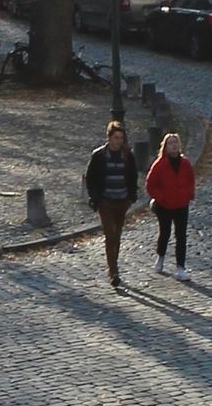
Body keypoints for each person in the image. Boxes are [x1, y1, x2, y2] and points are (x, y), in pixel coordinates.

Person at [81, 119, 139, 287]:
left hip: (122, 200)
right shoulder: (99, 156)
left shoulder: (128, 155)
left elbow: (133, 176)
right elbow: (90, 178)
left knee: (117, 235)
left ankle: (114, 264)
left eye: (121, 138)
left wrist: (131, 196)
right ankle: (113, 271)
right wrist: (95, 198)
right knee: (110, 234)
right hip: (105, 201)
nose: (118, 141)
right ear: (109, 137)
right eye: (116, 138)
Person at [146, 128, 197, 276]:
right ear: (165, 146)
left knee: (181, 235)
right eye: (170, 143)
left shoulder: (185, 163)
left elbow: (191, 181)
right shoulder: (160, 164)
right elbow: (150, 184)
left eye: (175, 143)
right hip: (165, 206)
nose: (174, 146)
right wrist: (161, 198)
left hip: (181, 204)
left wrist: (189, 195)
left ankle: (180, 267)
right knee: (165, 233)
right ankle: (160, 257)